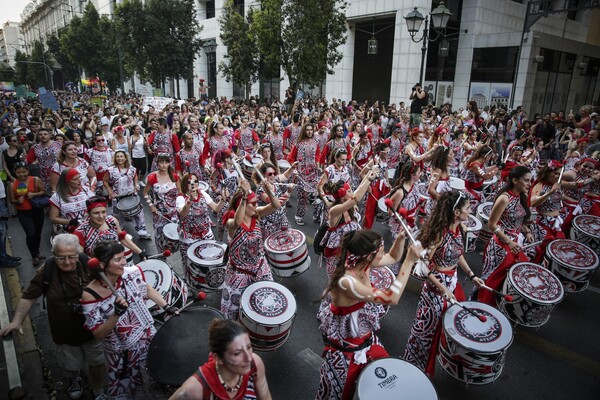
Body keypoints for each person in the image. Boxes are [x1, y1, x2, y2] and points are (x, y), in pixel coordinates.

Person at [316, 230, 421, 400]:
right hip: (345, 351)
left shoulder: (363, 265)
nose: (383, 254)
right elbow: (391, 298)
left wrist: (401, 238)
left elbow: (393, 257)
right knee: (337, 395)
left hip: (366, 341)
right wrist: (409, 262)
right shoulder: (347, 282)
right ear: (368, 256)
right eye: (380, 251)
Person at [0, 234, 106, 400]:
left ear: (78, 253)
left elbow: (108, 284)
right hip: (64, 332)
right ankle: (73, 379)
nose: (67, 262)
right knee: (70, 365)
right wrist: (16, 321)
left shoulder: (87, 264)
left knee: (97, 362)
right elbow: (29, 296)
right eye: (60, 258)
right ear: (53, 255)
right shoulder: (47, 270)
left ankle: (99, 390)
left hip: (93, 330)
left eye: (72, 257)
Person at [81, 240, 176, 399]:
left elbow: (146, 288)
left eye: (123, 257)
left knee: (157, 382)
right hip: (121, 354)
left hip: (147, 339)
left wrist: (166, 306)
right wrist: (116, 315)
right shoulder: (90, 295)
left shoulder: (132, 272)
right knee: (128, 389)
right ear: (102, 265)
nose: (124, 262)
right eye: (118, 260)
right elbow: (98, 334)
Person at [404, 191, 484, 377]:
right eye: (467, 208)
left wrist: (472, 275)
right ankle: (412, 369)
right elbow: (423, 267)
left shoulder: (459, 228)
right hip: (435, 290)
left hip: (451, 285)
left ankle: (427, 369)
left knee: (444, 330)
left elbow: (458, 254)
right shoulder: (439, 234)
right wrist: (443, 289)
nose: (470, 210)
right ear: (456, 212)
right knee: (425, 334)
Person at [220, 179, 280, 320]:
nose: (256, 205)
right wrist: (245, 195)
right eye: (253, 204)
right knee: (232, 310)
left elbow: (276, 205)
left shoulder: (257, 214)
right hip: (239, 273)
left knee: (267, 301)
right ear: (243, 204)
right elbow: (238, 221)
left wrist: (269, 191)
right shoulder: (232, 223)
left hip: (260, 267)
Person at [169, 319, 272, 400]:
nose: (248, 357)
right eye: (237, 353)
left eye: (249, 347)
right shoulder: (194, 389)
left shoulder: (255, 364)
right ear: (218, 358)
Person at [477, 166, 533, 306]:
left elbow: (520, 220)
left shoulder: (522, 196)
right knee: (490, 282)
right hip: (500, 247)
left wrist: (527, 231)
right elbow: (492, 224)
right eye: (526, 180)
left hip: (514, 244)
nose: (529, 184)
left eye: (530, 180)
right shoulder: (504, 198)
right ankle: (480, 306)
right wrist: (509, 241)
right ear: (514, 180)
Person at [319, 168, 378, 278]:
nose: (352, 192)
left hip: (348, 249)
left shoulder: (348, 205)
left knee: (348, 277)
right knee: (335, 280)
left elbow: (360, 188)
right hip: (335, 253)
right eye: (349, 191)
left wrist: (371, 171)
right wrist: (370, 178)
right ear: (342, 197)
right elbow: (355, 198)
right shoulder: (334, 211)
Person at [177, 172, 225, 275]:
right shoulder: (181, 198)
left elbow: (216, 208)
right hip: (189, 238)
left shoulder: (203, 194)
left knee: (210, 261)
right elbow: (183, 214)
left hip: (206, 234)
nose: (193, 184)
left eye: (195, 181)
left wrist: (223, 200)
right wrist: (189, 202)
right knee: (191, 268)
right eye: (189, 182)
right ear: (185, 185)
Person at [74, 197, 145, 262]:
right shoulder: (81, 231)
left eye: (103, 212)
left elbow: (122, 238)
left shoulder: (111, 221)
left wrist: (140, 252)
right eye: (96, 213)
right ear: (88, 214)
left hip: (118, 264)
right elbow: (80, 256)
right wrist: (97, 264)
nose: (101, 216)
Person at [103, 150, 150, 239]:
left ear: (125, 158)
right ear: (115, 159)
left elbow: (135, 177)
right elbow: (105, 181)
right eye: (117, 157)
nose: (119, 158)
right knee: (118, 217)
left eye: (121, 156)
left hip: (131, 195)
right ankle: (119, 233)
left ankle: (142, 232)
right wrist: (110, 191)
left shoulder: (132, 169)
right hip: (118, 197)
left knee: (139, 214)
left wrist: (136, 185)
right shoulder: (111, 170)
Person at [8, 162, 47, 266]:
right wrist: (17, 201)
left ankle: (37, 252)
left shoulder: (35, 180)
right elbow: (11, 200)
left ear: (28, 171)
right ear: (15, 173)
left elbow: (44, 192)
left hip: (37, 210)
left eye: (24, 172)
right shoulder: (12, 185)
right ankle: (33, 256)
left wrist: (34, 194)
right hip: (23, 213)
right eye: (19, 172)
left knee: (38, 233)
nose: (22, 174)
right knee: (31, 234)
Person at [143, 152, 181, 251]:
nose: (164, 165)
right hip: (159, 213)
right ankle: (162, 257)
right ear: (157, 163)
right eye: (161, 162)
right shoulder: (152, 178)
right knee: (159, 236)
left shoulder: (174, 177)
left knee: (175, 235)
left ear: (169, 163)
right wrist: (151, 205)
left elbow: (180, 193)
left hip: (173, 212)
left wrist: (181, 206)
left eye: (166, 162)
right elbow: (145, 193)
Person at [287, 124, 322, 225]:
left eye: (311, 130)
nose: (310, 132)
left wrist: (318, 166)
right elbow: (291, 158)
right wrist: (294, 169)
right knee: (302, 196)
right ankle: (299, 215)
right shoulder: (298, 144)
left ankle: (317, 215)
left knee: (318, 194)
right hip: (301, 174)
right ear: (304, 131)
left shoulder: (316, 143)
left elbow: (317, 156)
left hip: (313, 173)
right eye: (307, 130)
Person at [49, 169, 94, 239]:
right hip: (69, 233)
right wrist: (71, 222)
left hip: (88, 229)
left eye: (79, 177)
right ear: (67, 182)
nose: (79, 181)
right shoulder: (57, 197)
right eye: (75, 179)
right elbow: (53, 218)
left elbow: (94, 206)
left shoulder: (86, 191)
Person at [26, 127, 61, 192]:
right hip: (43, 175)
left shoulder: (58, 145)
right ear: (38, 136)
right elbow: (29, 161)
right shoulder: (35, 147)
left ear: (49, 135)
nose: (43, 136)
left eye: (45, 134)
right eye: (40, 134)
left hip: (58, 172)